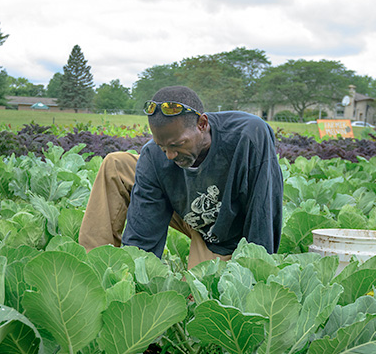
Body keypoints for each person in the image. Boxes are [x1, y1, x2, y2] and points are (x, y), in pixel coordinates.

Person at [79, 85, 283, 269]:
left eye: (176, 145)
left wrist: (257, 267)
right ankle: (94, 266)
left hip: (225, 232)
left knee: (202, 294)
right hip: (184, 207)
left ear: (202, 124)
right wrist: (134, 276)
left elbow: (263, 211)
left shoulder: (248, 136)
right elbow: (143, 233)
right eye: (162, 146)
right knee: (116, 164)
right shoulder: (154, 155)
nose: (169, 155)